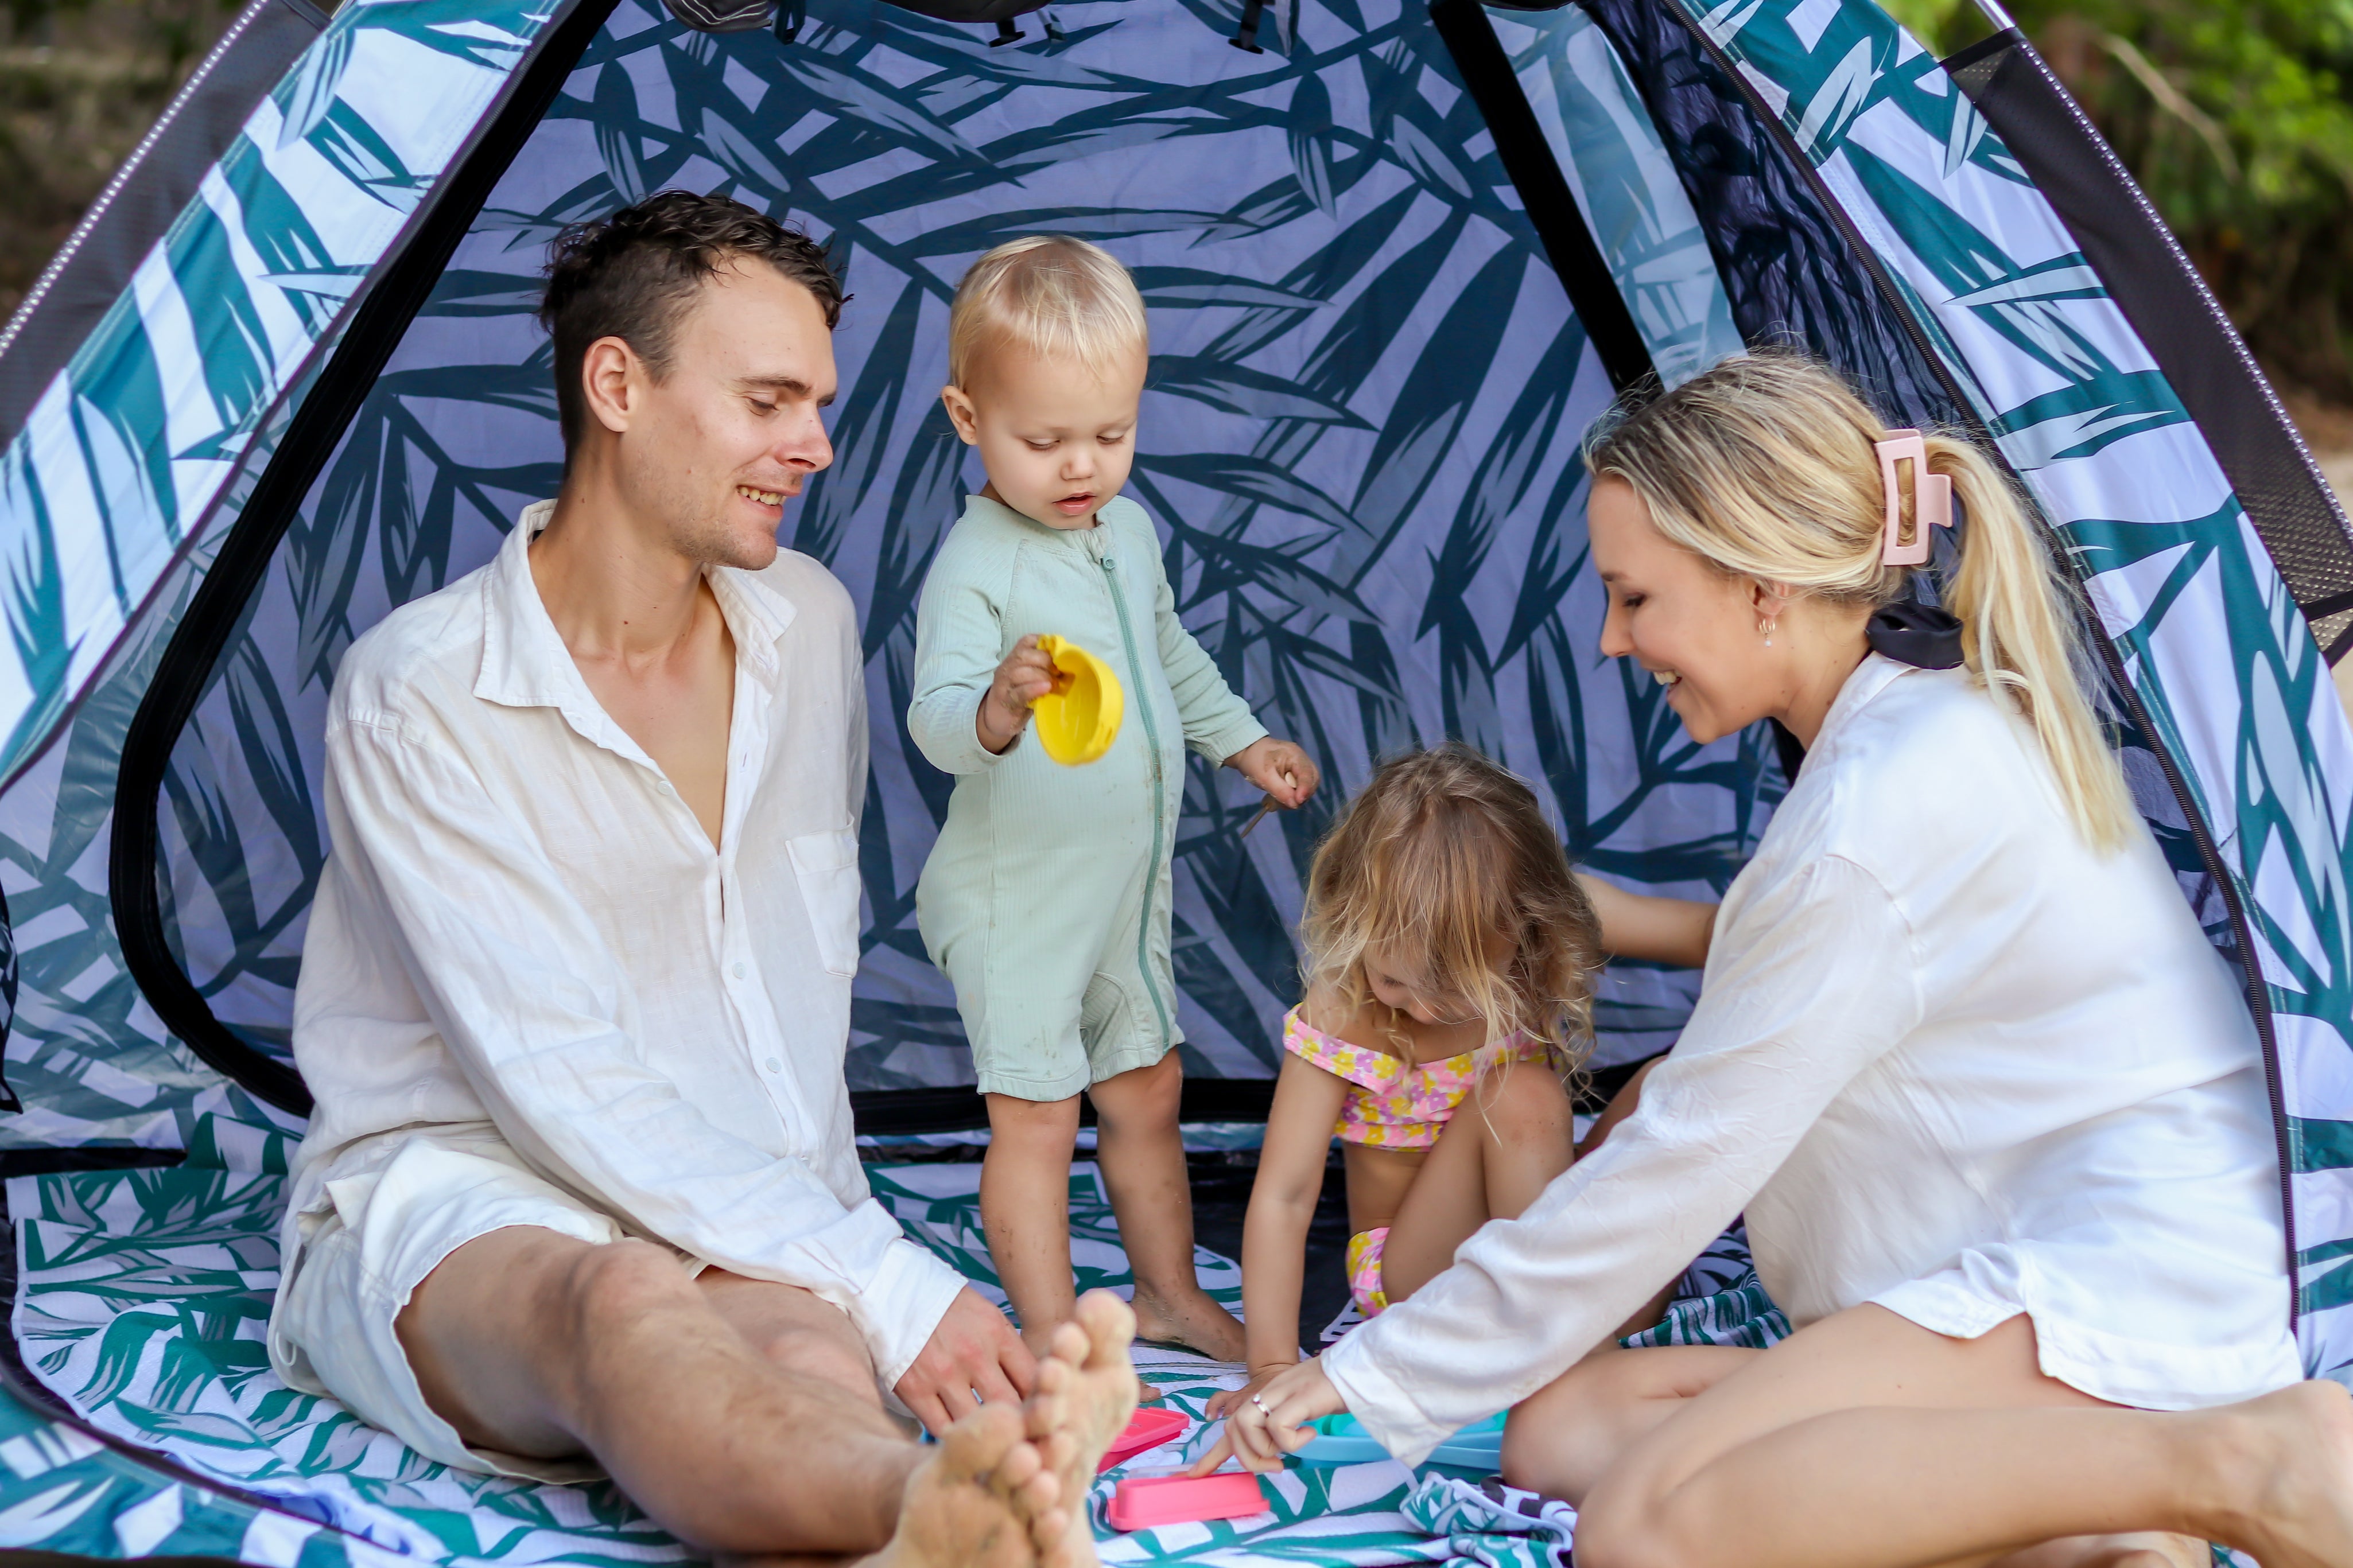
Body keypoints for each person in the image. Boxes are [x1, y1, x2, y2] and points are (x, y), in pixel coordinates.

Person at [1213, 353, 2353, 1568]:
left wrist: (1364, 1369)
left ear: (1760, 588)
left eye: (1634, 598)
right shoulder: (1928, 720)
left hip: (2119, 1287)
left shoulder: (1871, 816)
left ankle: (2229, 1459)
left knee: (1641, 1525)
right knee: (1563, 1431)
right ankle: (2099, 1529)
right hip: (2054, 1259)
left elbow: (1680, 1160)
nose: (1610, 639)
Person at [266, 189, 1137, 1568]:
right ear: (616, 385)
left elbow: (792, 994)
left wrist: (828, 1265)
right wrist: (891, 1275)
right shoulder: (420, 693)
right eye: (770, 400)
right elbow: (553, 1075)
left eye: (819, 401)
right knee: (616, 1297)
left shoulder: (807, 623)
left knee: (808, 1352)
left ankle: (946, 1519)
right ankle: (932, 1512)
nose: (818, 446)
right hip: (473, 1185)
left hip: (750, 1186)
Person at [907, 236, 1321, 1363]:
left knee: (1146, 1087)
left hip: (1120, 896)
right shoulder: (976, 563)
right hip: (1019, 905)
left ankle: (1167, 1292)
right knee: (1036, 1116)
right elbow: (934, 722)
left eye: (1111, 434)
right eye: (1043, 441)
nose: (1080, 465)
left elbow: (1167, 653)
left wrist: (1244, 741)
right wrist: (997, 705)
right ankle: (1051, 1340)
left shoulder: (1125, 534)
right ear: (967, 418)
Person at [1183, 742, 1712, 1459]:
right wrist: (1273, 1366)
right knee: (1520, 1093)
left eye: (1455, 986)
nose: (1424, 1008)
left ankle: (1591, 1314)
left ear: (1524, 923)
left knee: (1677, 1083)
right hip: (1422, 1275)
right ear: (1355, 919)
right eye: (1398, 982)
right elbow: (1284, 1192)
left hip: (1553, 1241)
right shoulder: (1343, 1010)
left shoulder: (1546, 923)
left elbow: (1720, 933)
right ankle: (1567, 1349)